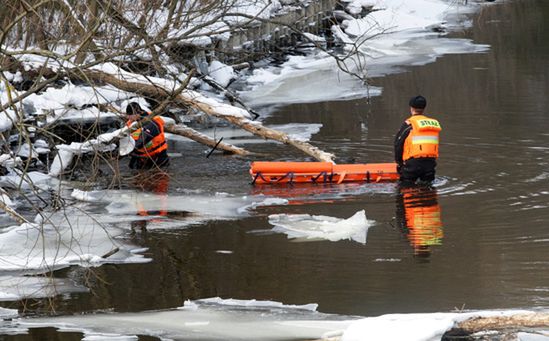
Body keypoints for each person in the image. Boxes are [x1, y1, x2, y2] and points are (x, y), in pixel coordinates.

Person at [394, 95, 441, 184]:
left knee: (404, 190)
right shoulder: (433, 124)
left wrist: (399, 164)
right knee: (428, 189)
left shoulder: (409, 124)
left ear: (411, 108)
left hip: (412, 165)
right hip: (430, 165)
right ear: (424, 108)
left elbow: (398, 145)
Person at [396, 184, 443, 257]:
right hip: (411, 196)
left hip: (429, 193)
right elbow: (400, 213)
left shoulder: (436, 236)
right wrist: (398, 195)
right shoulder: (411, 235)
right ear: (416, 249)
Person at [126, 102, 169, 170]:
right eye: (127, 114)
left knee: (159, 178)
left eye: (130, 115)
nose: (128, 117)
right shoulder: (131, 122)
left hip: (156, 157)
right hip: (140, 157)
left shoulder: (151, 123)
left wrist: (126, 150)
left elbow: (143, 140)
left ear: (137, 113)